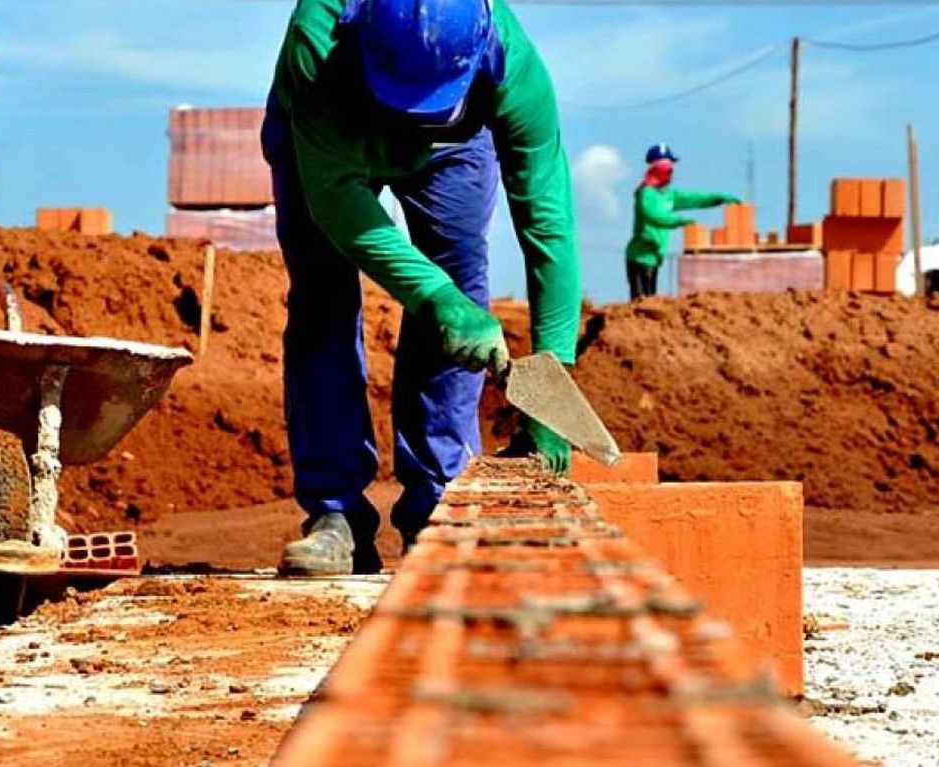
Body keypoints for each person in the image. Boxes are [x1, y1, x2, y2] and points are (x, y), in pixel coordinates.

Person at [262, 0, 581, 576]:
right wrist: (435, 296)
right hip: (328, 126)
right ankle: (336, 514)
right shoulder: (319, 39)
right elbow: (337, 203)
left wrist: (553, 377)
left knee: (461, 286)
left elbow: (549, 222)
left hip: (456, 145)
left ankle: (439, 504)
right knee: (323, 298)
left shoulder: (509, 62)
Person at [625, 144, 740, 300]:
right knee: (641, 301)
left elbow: (694, 199)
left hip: (654, 257)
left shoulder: (669, 195)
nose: (672, 173)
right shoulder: (646, 194)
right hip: (639, 257)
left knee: (650, 298)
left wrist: (717, 198)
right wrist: (679, 221)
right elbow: (654, 216)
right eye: (669, 169)